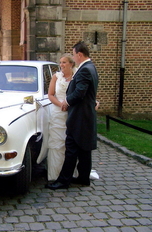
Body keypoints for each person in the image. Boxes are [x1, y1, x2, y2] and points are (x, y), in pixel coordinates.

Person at [46, 41, 99, 190]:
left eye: (74, 55)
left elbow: (80, 92)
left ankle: (63, 181)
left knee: (71, 149)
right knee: (83, 149)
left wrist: (66, 102)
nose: (74, 58)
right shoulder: (91, 67)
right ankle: (83, 178)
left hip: (79, 117)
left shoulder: (84, 70)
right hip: (84, 115)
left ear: (79, 55)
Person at [46, 53, 76, 181]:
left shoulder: (76, 77)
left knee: (70, 143)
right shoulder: (56, 77)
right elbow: (51, 94)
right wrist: (61, 105)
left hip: (72, 112)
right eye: (60, 62)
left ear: (71, 64)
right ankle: (55, 173)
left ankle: (70, 172)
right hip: (58, 112)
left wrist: (69, 105)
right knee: (57, 142)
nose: (61, 65)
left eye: (64, 62)